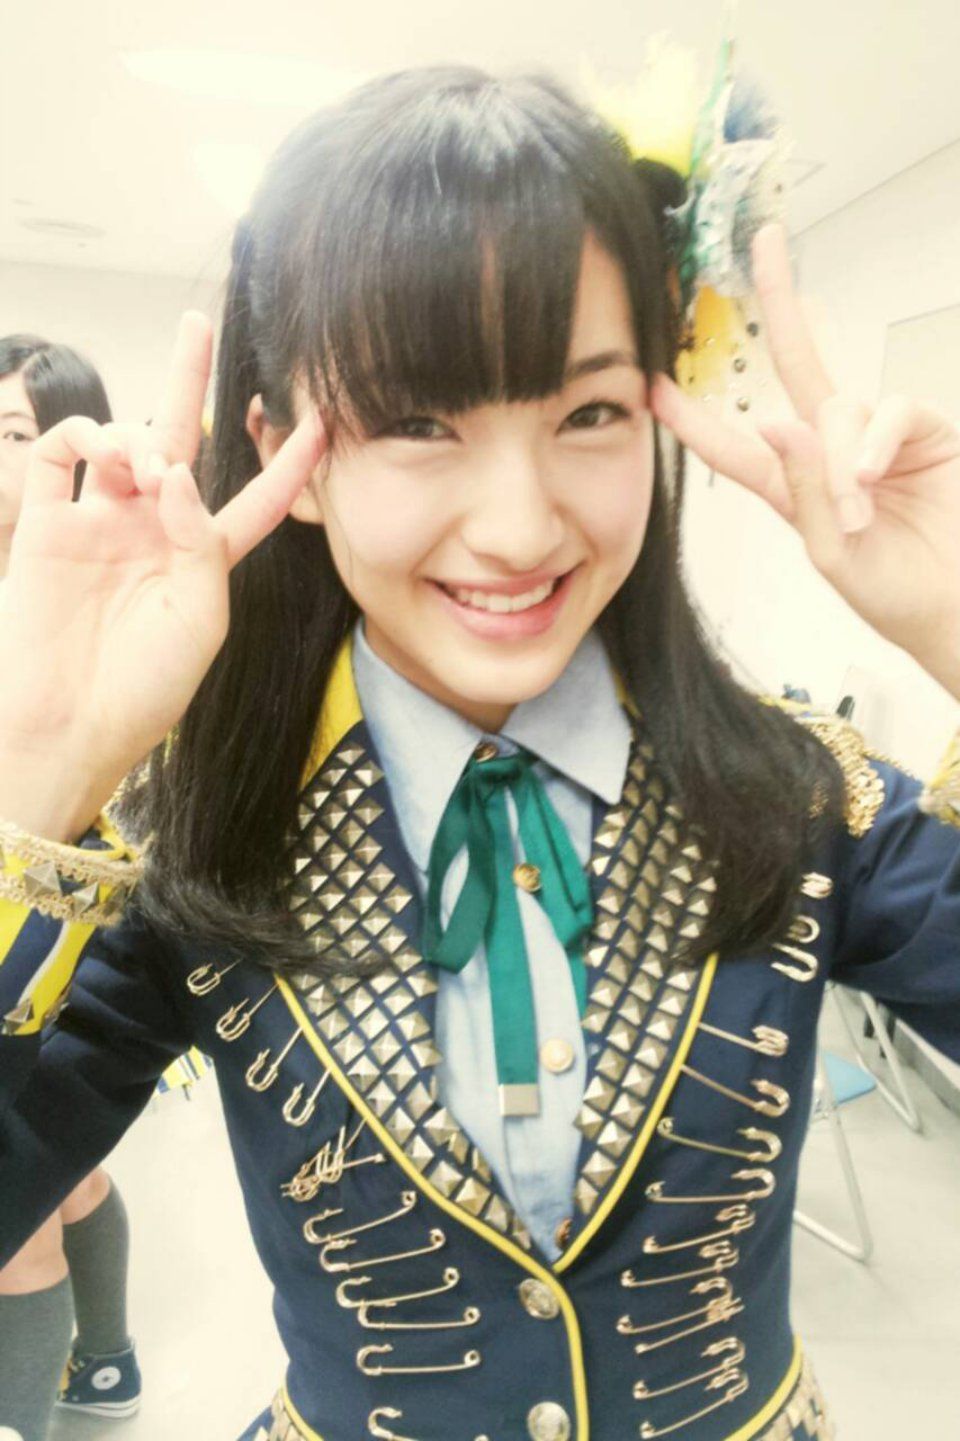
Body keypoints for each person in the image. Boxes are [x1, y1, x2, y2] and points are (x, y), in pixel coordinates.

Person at [0, 63, 958, 1441]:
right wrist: (35, 772)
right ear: (284, 453)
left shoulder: (802, 796)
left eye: (588, 414)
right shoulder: (199, 841)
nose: (519, 527)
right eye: (416, 422)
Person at [0, 336, 141, 1438]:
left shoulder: (103, 585)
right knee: (64, 1173)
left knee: (19, 1220)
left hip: (51, 925)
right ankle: (105, 1362)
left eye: (15, 433)